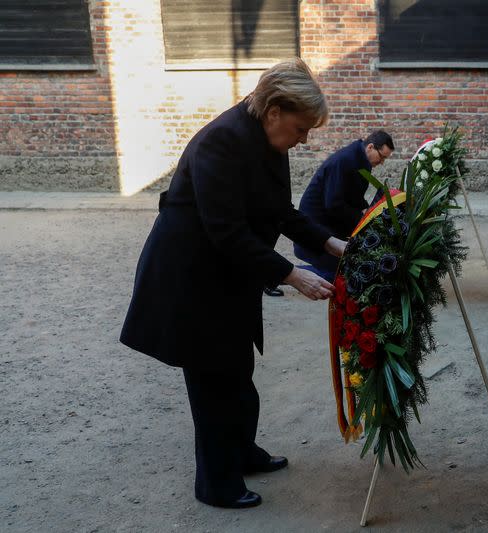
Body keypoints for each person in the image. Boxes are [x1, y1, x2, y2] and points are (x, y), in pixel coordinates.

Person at [119, 59, 345, 509]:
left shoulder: (268, 142)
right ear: (274, 111)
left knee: (238, 370)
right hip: (191, 275)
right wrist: (292, 274)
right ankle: (217, 483)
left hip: (227, 272)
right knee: (212, 381)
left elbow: (282, 212)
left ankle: (242, 451)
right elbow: (226, 231)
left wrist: (332, 243)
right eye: (301, 128)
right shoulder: (221, 142)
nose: (303, 140)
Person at [293, 130, 394, 281]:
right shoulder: (346, 160)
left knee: (348, 268)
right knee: (336, 274)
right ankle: (279, 273)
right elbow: (333, 204)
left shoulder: (359, 159)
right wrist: (361, 219)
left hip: (329, 223)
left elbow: (354, 197)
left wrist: (368, 212)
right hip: (315, 227)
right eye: (382, 157)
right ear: (371, 147)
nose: (382, 162)